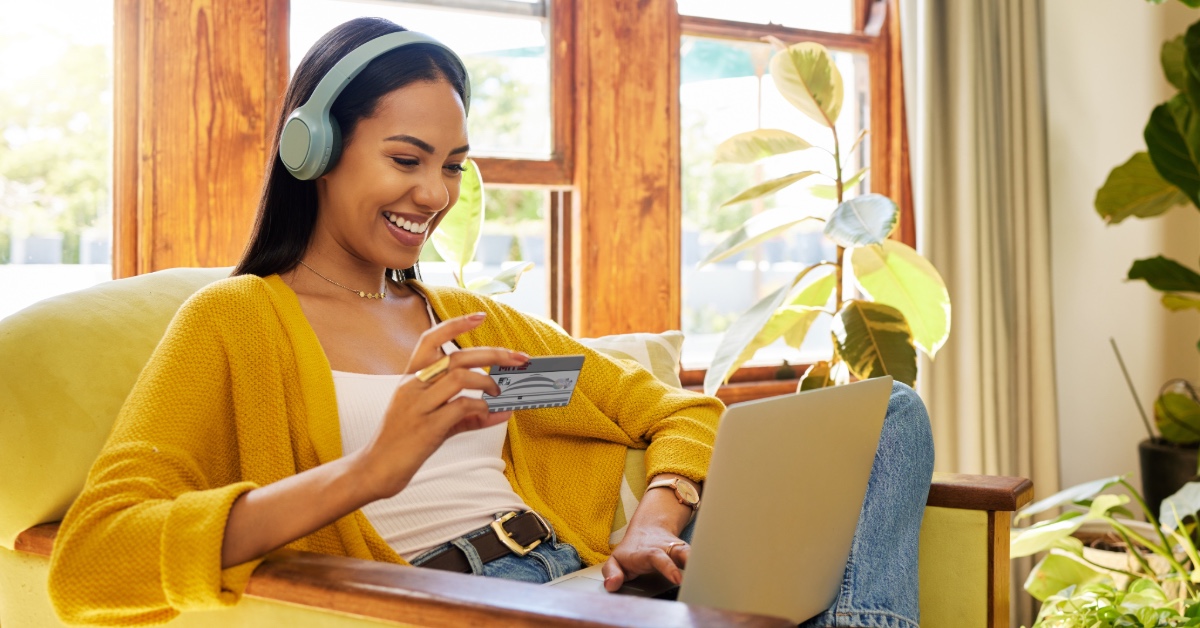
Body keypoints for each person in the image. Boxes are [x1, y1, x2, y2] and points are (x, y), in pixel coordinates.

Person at [47, 17, 934, 628]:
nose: (432, 194)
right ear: (310, 149)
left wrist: (655, 519)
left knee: (889, 411)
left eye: (451, 166)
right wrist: (367, 470)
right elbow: (90, 559)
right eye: (405, 159)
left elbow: (673, 410)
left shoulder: (467, 322)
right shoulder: (235, 321)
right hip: (472, 600)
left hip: (590, 583)